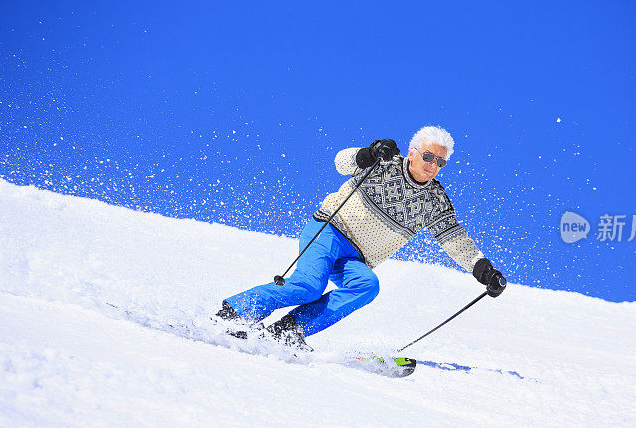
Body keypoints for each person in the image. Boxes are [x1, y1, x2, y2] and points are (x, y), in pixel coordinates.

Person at [217, 125, 506, 350]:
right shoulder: (386, 163)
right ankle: (237, 312)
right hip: (329, 231)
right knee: (308, 287)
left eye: (440, 162)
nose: (432, 165)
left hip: (357, 257)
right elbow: (340, 162)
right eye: (428, 156)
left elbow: (454, 239)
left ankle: (287, 332)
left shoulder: (434, 201)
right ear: (413, 151)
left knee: (367, 285)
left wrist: (484, 270)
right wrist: (366, 153)